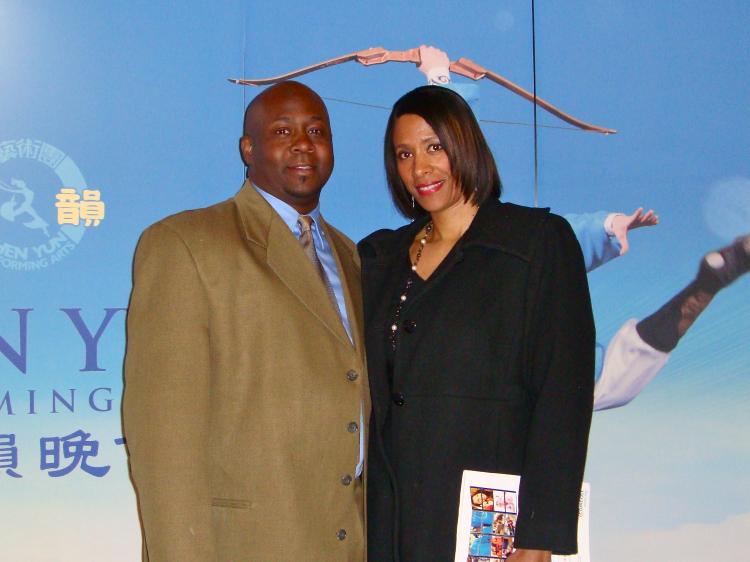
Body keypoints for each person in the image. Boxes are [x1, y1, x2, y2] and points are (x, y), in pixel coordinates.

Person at [123, 81, 368, 561]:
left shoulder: (351, 255)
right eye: (283, 130)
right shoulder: (186, 243)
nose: (303, 143)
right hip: (246, 545)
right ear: (248, 148)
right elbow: (163, 441)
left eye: (317, 130)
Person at [359, 86, 594, 562]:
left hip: (487, 522)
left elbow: (561, 398)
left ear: (465, 144)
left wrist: (539, 535)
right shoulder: (376, 258)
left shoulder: (537, 244)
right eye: (404, 154)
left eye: (434, 147)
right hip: (388, 524)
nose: (419, 168)